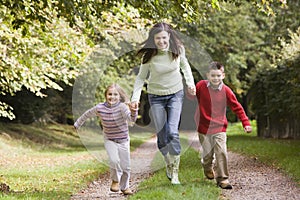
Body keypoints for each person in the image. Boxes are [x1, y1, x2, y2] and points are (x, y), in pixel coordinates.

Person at [130, 22, 196, 185]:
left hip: (175, 94)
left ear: (169, 37)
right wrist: (135, 98)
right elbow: (140, 78)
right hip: (156, 96)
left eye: (164, 38)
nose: (161, 41)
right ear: (153, 40)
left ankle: (175, 172)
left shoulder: (178, 50)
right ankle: (168, 160)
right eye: (158, 38)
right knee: (162, 136)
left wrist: (190, 83)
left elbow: (185, 67)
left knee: (173, 132)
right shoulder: (149, 57)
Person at [194, 61, 252, 189]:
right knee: (208, 155)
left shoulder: (226, 91)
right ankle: (207, 166)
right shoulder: (201, 86)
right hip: (203, 127)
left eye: (218, 76)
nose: (216, 78)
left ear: (223, 76)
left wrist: (245, 122)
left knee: (221, 152)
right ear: (207, 75)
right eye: (213, 75)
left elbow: (237, 107)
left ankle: (223, 179)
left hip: (219, 127)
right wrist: (189, 91)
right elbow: (190, 97)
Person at [74, 84, 138, 195]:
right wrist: (77, 123)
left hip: (123, 140)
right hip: (109, 139)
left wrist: (133, 111)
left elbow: (131, 120)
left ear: (119, 96)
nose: (112, 97)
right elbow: (87, 114)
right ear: (105, 95)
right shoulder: (100, 108)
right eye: (109, 94)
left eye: (115, 94)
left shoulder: (122, 107)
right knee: (114, 160)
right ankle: (115, 180)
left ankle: (125, 187)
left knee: (126, 166)